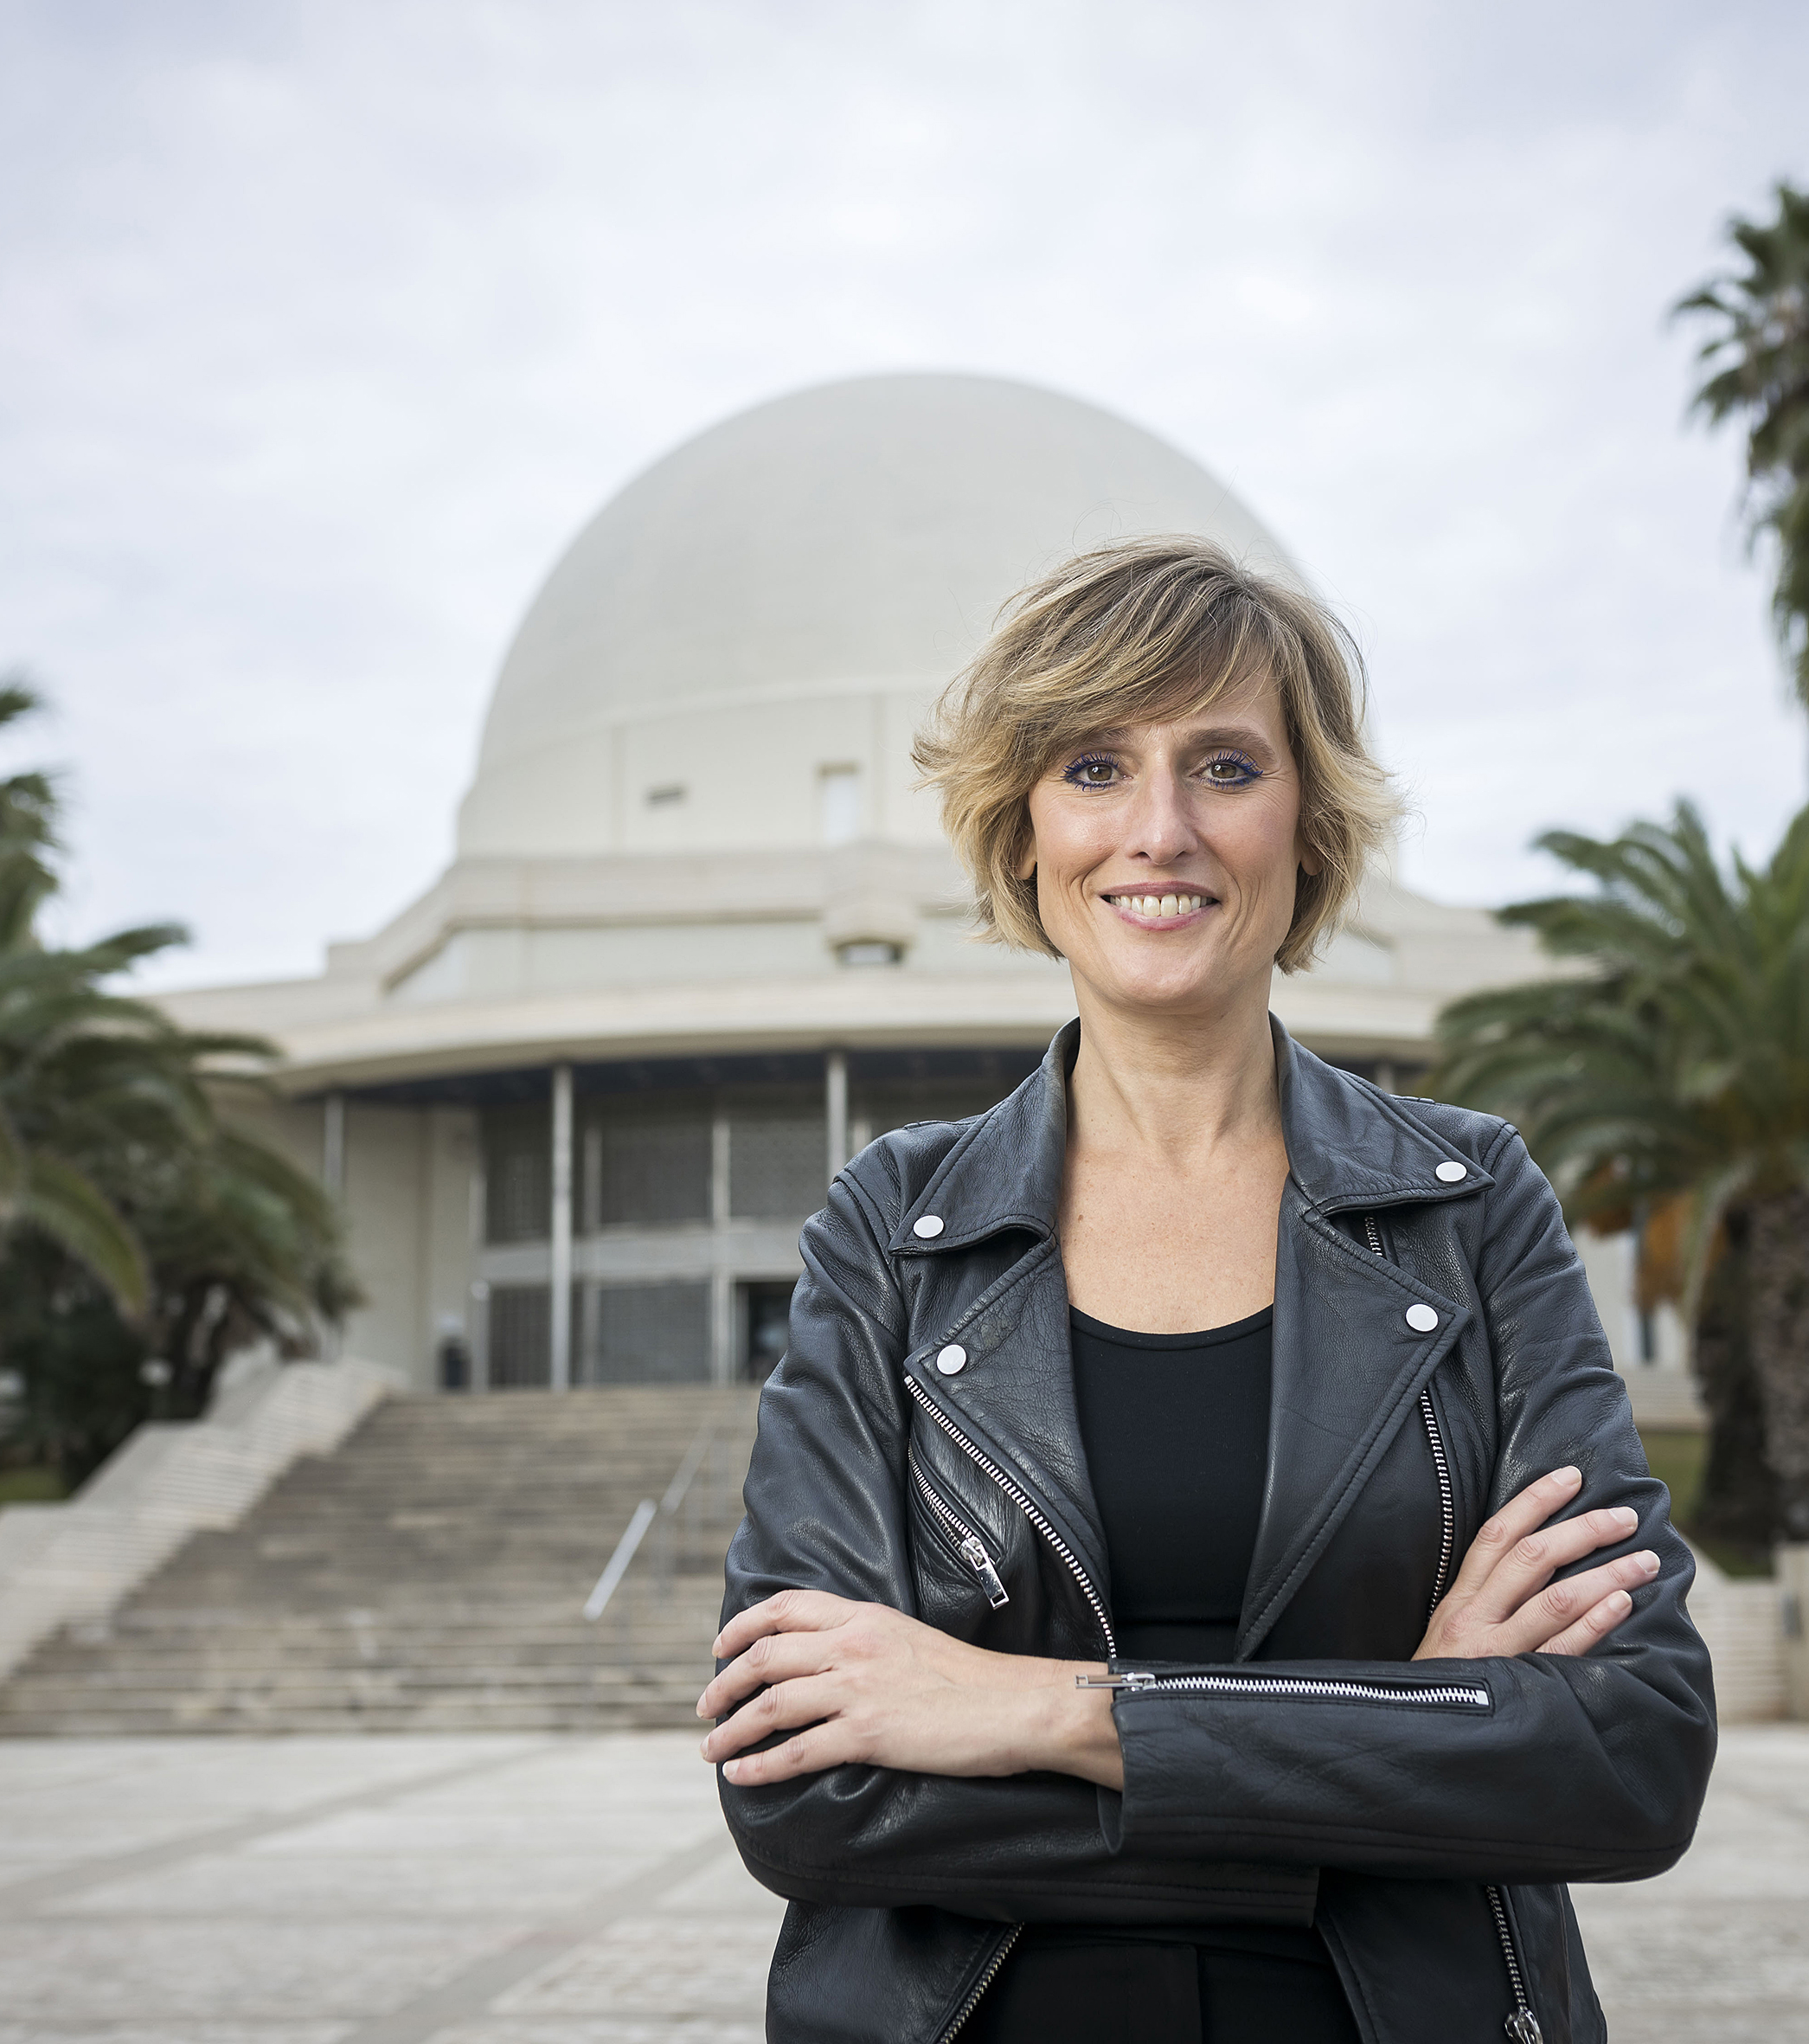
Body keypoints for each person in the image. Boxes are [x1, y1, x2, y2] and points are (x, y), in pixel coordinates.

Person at [702, 537, 1715, 2044]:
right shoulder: (897, 1229)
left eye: (1225, 766)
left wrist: (1042, 1709)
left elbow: (1629, 1750)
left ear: (1306, 825)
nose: (1159, 831)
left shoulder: (1468, 1201)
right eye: (1097, 766)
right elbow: (808, 1788)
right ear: (1024, 828)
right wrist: (1398, 1721)